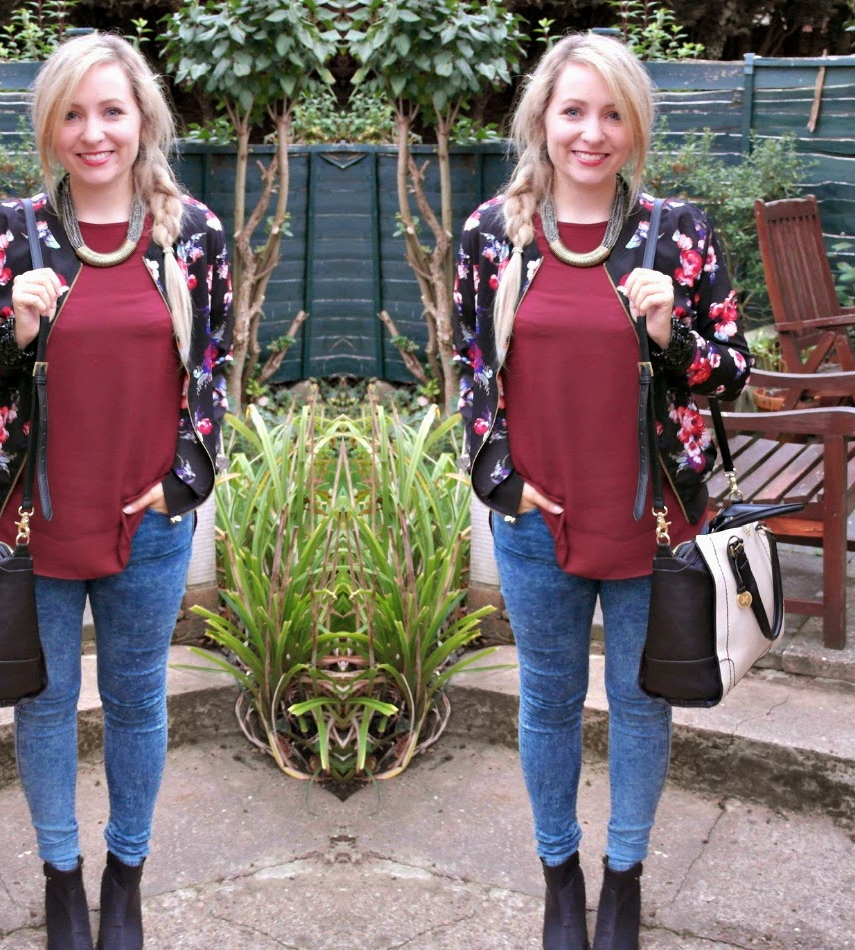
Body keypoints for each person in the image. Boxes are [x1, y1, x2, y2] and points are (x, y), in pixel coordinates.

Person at [0, 32, 232, 950]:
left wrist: (186, 477)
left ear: (143, 120)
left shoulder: (192, 235)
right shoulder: (7, 233)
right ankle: (63, 879)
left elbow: (213, 371)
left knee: (138, 702)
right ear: (49, 128)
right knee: (45, 701)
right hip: (29, 521)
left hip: (147, 521)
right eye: (73, 114)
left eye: (111, 111)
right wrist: (16, 336)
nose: (94, 133)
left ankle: (125, 878)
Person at [453, 33, 750, 950]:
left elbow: (732, 374)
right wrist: (500, 478)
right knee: (547, 702)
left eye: (612, 113)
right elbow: (471, 371)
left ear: (636, 128)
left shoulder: (678, 233)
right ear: (542, 119)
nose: (592, 132)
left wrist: (669, 337)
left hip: (655, 522)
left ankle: (623, 879)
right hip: (538, 522)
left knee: (640, 703)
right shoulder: (493, 235)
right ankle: (560, 878)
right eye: (574, 111)